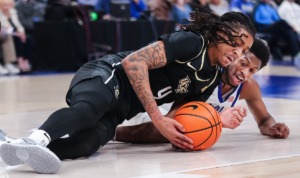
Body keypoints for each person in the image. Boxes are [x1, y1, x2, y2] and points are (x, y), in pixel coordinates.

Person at [0, 7, 256, 174]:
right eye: (237, 44)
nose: (238, 53)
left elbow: (178, 119)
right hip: (110, 75)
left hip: (125, 107)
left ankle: (20, 149)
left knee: (87, 144)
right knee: (88, 111)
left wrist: (203, 128)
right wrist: (157, 117)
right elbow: (134, 62)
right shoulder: (192, 42)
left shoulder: (209, 77)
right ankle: (36, 139)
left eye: (244, 51)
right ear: (221, 33)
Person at [115, 38, 290, 144]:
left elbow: (265, 119)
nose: (244, 73)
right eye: (243, 63)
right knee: (175, 132)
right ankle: (113, 134)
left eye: (252, 70)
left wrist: (273, 128)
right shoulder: (208, 73)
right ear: (235, 55)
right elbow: (181, 124)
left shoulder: (249, 87)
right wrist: (218, 121)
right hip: (152, 112)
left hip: (172, 123)